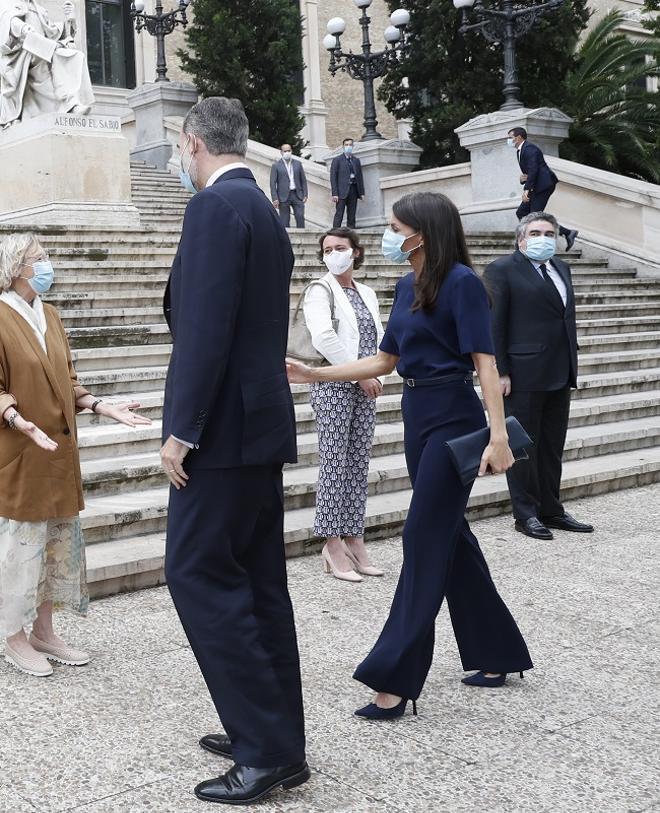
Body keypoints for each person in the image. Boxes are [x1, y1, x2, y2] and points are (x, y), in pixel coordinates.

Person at [287, 192, 533, 719]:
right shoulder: (405, 286)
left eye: (397, 227)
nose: (390, 236)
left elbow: (485, 365)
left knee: (422, 538)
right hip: (417, 414)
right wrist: (315, 374)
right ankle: (498, 652)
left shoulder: (464, 283)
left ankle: (395, 679)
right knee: (450, 535)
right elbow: (384, 359)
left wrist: (498, 436)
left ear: (422, 233)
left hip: (454, 415)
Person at [160, 97, 309, 806]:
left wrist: (182, 428)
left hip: (217, 431)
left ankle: (266, 747)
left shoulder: (214, 209)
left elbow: (205, 328)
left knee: (194, 573)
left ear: (192, 143)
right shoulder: (265, 211)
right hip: (257, 425)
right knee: (256, 582)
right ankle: (277, 733)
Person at [0, 232, 150, 677]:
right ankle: (13, 636)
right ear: (16, 268)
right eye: (38, 258)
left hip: (59, 453)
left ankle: (44, 630)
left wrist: (102, 405)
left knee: (56, 546)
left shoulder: (49, 314)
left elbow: (68, 377)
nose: (46, 265)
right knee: (20, 549)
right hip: (21, 453)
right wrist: (15, 418)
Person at [483, 212, 594, 541]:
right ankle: (526, 514)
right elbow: (494, 325)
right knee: (523, 447)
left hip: (560, 372)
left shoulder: (561, 268)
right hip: (522, 373)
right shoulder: (502, 270)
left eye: (549, 233)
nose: (543, 238)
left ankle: (552, 508)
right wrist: (500, 371)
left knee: (551, 446)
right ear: (521, 238)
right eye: (535, 232)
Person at [303, 227, 385, 582]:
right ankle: (331, 541)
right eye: (327, 249)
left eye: (340, 247)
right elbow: (323, 337)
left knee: (357, 463)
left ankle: (355, 536)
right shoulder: (319, 290)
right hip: (334, 384)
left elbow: (378, 335)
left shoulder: (365, 292)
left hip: (368, 385)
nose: (333, 253)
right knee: (335, 462)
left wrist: (377, 373)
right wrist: (358, 374)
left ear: (356, 252)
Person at [0, 0, 94, 127]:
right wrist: (24, 29)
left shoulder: (39, 8)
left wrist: (69, 20)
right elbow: (7, 20)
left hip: (42, 48)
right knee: (49, 51)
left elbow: (53, 32)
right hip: (21, 54)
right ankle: (70, 104)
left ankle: (74, 103)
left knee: (77, 55)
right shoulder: (7, 3)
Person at [507, 127, 578, 251]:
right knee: (522, 213)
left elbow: (534, 170)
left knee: (534, 215)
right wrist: (523, 179)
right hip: (537, 185)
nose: (508, 140)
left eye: (510, 137)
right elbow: (532, 170)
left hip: (544, 185)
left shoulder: (530, 149)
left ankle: (526, 241)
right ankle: (566, 233)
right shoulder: (521, 150)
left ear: (518, 138)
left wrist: (526, 190)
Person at [270, 143, 308, 228]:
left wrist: (305, 194)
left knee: (300, 216)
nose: (287, 152)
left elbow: (303, 180)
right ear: (281, 152)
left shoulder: (298, 164)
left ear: (291, 151)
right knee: (284, 221)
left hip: (297, 195)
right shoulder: (276, 165)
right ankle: (286, 240)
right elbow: (272, 183)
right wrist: (275, 198)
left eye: (289, 150)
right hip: (283, 197)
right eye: (285, 151)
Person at [331, 138, 365, 229]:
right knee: (339, 213)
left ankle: (351, 233)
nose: (348, 147)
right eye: (346, 145)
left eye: (350, 145)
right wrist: (335, 193)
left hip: (353, 190)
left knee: (352, 214)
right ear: (343, 147)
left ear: (353, 146)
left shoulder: (356, 160)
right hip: (341, 191)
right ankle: (335, 232)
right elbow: (333, 177)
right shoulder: (337, 160)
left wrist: (361, 193)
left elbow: (360, 177)